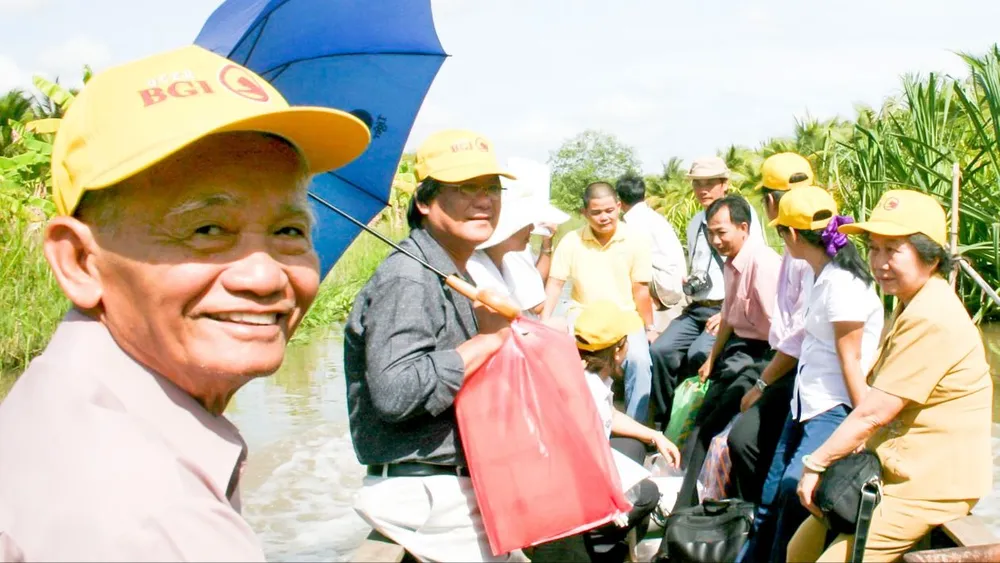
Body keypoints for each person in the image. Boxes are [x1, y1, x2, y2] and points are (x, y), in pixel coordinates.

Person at [0, 46, 371, 560]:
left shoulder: (58, 404)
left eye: (289, 230)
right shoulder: (152, 523)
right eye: (207, 229)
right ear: (81, 261)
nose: (264, 277)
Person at [345, 129, 533, 562]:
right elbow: (396, 392)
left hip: (454, 485)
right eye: (465, 188)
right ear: (425, 201)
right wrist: (486, 340)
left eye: (491, 188)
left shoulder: (451, 273)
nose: (483, 199)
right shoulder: (407, 277)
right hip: (426, 493)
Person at [788, 190, 993, 562]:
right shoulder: (910, 303)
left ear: (930, 256)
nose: (879, 262)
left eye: (893, 250)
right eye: (874, 248)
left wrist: (816, 463)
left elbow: (874, 411)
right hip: (890, 468)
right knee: (798, 547)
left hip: (930, 483)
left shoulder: (931, 316)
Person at [744, 186, 884, 562]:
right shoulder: (816, 273)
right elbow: (805, 341)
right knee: (771, 495)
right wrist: (764, 382)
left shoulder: (844, 285)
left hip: (832, 409)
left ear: (790, 235)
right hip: (804, 404)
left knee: (793, 497)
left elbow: (851, 361)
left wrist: (863, 427)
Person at [671, 194, 781, 511]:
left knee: (716, 426)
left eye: (722, 232)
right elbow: (730, 317)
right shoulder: (732, 264)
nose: (716, 240)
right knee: (703, 416)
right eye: (711, 233)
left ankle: (693, 509)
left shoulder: (762, 264)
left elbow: (781, 334)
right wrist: (710, 359)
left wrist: (763, 383)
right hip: (740, 350)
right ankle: (688, 499)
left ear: (743, 228)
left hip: (767, 356)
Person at [649, 156, 766, 429]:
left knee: (699, 355)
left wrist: (729, 311)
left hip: (726, 307)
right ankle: (668, 422)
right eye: (698, 184)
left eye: (710, 183)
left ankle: (698, 425)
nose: (703, 190)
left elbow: (751, 267)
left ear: (724, 184)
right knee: (661, 351)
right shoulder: (694, 224)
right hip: (698, 307)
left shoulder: (741, 214)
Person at [727, 153, 816, 505]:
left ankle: (753, 511)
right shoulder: (799, 243)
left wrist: (763, 383)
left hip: (798, 367)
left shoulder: (805, 249)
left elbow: (799, 335)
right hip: (787, 359)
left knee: (743, 438)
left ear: (767, 201)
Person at [573, 300, 681, 562]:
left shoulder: (584, 376)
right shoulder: (590, 396)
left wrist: (654, 435)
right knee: (648, 494)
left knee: (634, 446)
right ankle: (596, 540)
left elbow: (610, 415)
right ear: (619, 350)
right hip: (575, 491)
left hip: (575, 473)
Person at [540, 182, 655, 423]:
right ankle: (577, 423)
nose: (604, 217)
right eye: (596, 212)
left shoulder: (636, 240)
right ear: (584, 213)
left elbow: (640, 290)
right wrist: (544, 322)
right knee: (562, 359)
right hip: (582, 315)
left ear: (619, 207)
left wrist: (649, 328)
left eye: (609, 211)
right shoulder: (571, 241)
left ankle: (635, 428)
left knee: (641, 362)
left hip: (624, 316)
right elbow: (555, 284)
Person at [467, 183, 566, 317]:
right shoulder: (476, 267)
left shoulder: (507, 256)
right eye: (526, 224)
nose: (532, 229)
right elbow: (536, 305)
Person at [616, 172, 687, 328]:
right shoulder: (653, 217)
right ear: (644, 194)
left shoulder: (632, 222)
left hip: (663, 283)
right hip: (676, 280)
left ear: (619, 201)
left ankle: (646, 307)